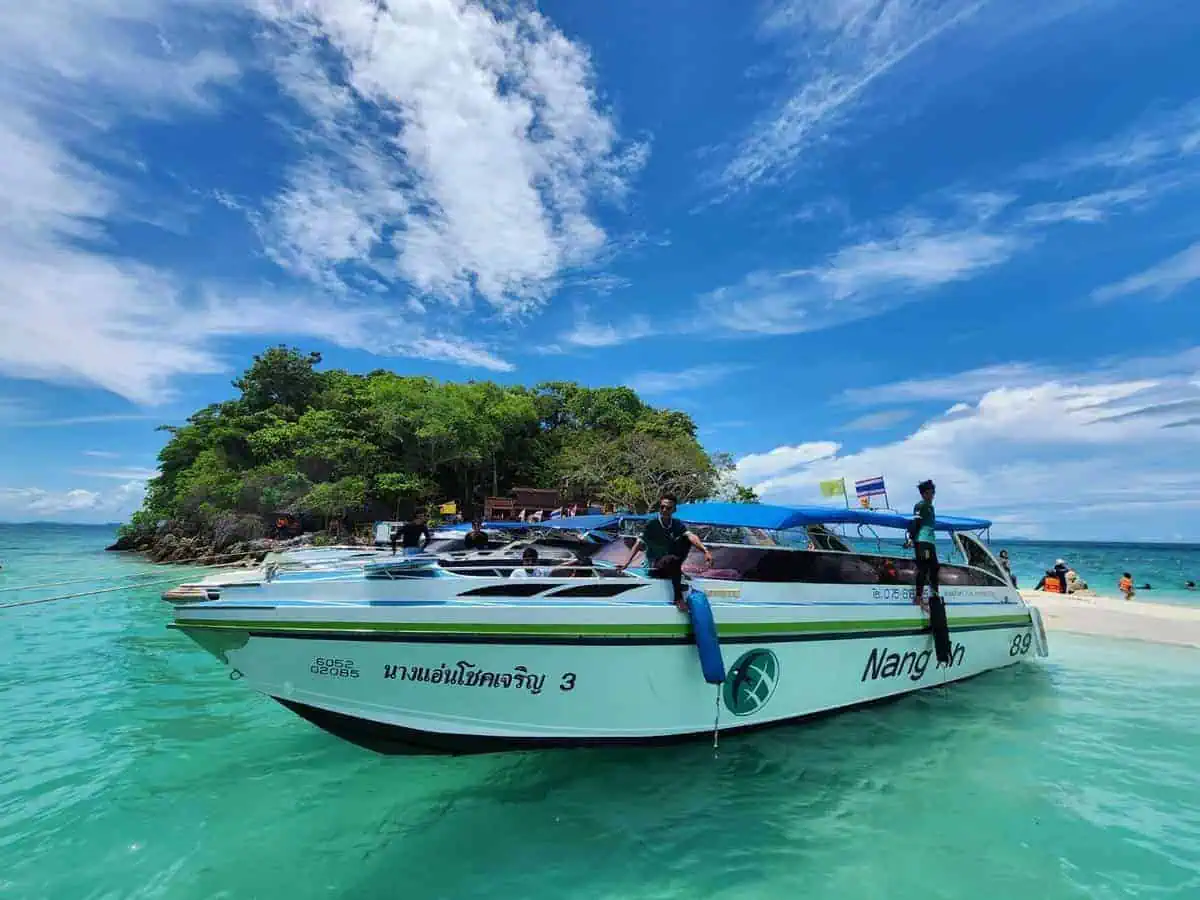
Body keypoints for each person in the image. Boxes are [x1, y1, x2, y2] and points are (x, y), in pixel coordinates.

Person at [618, 493, 713, 612]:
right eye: (662, 507)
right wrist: (626, 563)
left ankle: (677, 572)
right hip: (655, 565)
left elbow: (692, 536)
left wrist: (705, 551)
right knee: (671, 559)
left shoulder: (677, 524)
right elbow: (638, 544)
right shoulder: (652, 524)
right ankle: (678, 598)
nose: (664, 510)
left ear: (674, 510)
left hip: (671, 563)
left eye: (668, 508)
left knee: (686, 539)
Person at [910, 480, 939, 611]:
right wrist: (911, 539)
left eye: (933, 493)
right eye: (929, 493)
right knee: (923, 568)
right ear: (923, 494)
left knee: (935, 568)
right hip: (922, 542)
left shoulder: (931, 507)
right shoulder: (919, 506)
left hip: (930, 542)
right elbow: (916, 523)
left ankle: (935, 596)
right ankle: (918, 597)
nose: (932, 496)